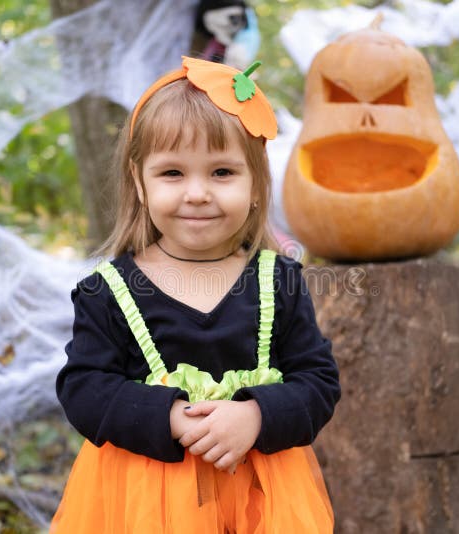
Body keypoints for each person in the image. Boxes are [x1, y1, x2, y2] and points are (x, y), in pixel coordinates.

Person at [51, 56, 340, 533]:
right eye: (173, 174)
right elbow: (84, 389)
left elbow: (318, 382)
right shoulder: (109, 292)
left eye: (222, 172)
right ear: (140, 183)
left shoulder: (278, 281)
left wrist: (255, 415)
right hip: (145, 508)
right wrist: (171, 419)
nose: (198, 193)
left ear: (254, 183)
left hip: (261, 503)